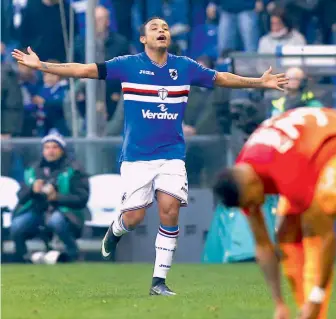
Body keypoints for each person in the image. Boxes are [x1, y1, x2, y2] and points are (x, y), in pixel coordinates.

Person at [12, 16, 288, 296]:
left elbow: (220, 79)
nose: (162, 31)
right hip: (137, 157)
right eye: (155, 28)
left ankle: (159, 282)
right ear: (143, 38)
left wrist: (259, 82)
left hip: (172, 155)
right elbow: (82, 69)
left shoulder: (184, 67)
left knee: (170, 210)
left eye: (166, 28)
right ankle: (117, 228)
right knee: (134, 218)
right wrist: (42, 66)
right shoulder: (127, 65)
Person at [213, 107, 336, 319]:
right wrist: (278, 302)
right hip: (309, 148)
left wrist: (318, 296)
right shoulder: (243, 176)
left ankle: (314, 318)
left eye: (250, 201)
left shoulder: (288, 172)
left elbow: (327, 236)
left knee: (313, 225)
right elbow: (263, 245)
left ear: (250, 183)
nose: (255, 207)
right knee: (287, 235)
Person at [10, 133, 89, 263]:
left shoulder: (74, 170)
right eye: (47, 147)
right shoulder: (33, 169)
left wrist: (57, 197)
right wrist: (32, 190)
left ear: (62, 150)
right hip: (37, 212)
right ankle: (22, 257)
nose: (50, 151)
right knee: (17, 225)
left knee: (56, 220)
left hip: (67, 214)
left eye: (54, 147)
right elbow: (20, 197)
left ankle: (73, 252)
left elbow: (82, 198)